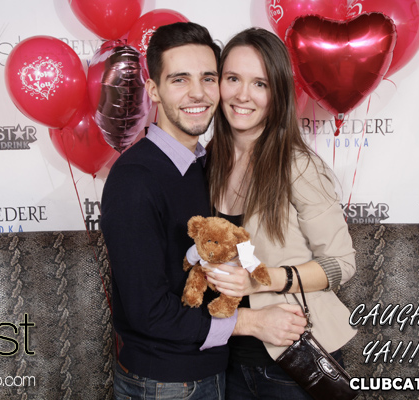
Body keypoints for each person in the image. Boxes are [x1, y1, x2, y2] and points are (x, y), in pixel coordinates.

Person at [100, 22, 306, 400]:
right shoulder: (135, 179)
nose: (198, 92)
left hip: (213, 372)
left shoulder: (204, 166)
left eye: (208, 78)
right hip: (164, 383)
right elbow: (148, 311)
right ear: (154, 91)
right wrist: (251, 322)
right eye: (180, 79)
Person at [205, 27, 357, 400]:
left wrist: (262, 280)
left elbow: (341, 264)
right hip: (222, 362)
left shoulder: (298, 165)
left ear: (278, 94)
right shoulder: (207, 164)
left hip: (290, 362)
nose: (243, 95)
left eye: (260, 84)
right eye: (233, 79)